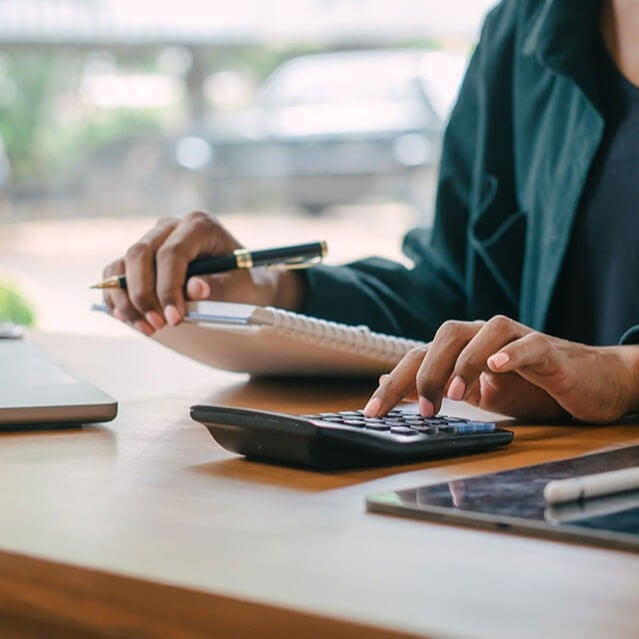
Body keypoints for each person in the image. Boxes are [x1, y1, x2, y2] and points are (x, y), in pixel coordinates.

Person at [102, 0, 639, 424]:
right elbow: (453, 303)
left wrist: (623, 373)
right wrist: (271, 292)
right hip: (538, 499)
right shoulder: (520, 34)